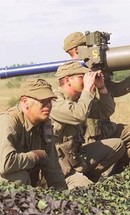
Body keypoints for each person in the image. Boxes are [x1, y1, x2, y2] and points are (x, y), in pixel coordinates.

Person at [62, 32, 130, 176]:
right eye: (85, 47)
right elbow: (75, 111)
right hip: (89, 132)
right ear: (76, 50)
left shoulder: (97, 70)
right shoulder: (72, 76)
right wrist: (86, 84)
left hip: (105, 125)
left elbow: (115, 90)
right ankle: (93, 177)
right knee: (95, 160)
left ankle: (116, 175)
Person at [49, 61, 125, 189]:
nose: (86, 80)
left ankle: (86, 178)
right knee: (89, 194)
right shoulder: (54, 100)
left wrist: (101, 88)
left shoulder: (80, 98)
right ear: (68, 80)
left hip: (74, 155)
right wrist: (87, 90)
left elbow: (105, 111)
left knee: (117, 145)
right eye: (81, 77)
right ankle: (74, 183)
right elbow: (78, 115)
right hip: (58, 163)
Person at [0, 79, 68, 190]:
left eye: (50, 101)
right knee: (19, 177)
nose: (48, 105)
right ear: (25, 101)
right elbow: (5, 163)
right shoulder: (8, 121)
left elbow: (53, 169)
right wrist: (35, 156)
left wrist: (65, 197)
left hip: (28, 182)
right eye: (43, 101)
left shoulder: (44, 125)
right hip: (8, 179)